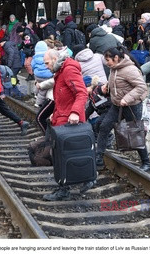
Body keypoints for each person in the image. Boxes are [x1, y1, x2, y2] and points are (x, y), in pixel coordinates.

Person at [42, 48, 92, 201]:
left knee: (62, 155)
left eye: (47, 63)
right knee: (65, 153)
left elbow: (81, 92)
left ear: (55, 58)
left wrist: (75, 112)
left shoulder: (68, 69)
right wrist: (55, 113)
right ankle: (85, 179)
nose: (45, 66)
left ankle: (65, 189)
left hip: (70, 120)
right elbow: (64, 97)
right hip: (63, 117)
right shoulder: (61, 70)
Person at [96, 46, 150, 172]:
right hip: (117, 105)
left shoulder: (129, 70)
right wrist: (107, 88)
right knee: (104, 126)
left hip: (132, 106)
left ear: (116, 58)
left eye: (108, 60)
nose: (106, 63)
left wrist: (127, 98)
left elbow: (141, 87)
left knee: (135, 133)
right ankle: (98, 158)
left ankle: (146, 162)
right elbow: (117, 85)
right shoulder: (113, 69)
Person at [32, 41, 53, 107]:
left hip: (37, 75)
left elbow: (32, 65)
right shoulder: (47, 56)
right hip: (47, 76)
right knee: (43, 90)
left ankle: (35, 93)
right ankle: (38, 103)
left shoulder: (34, 57)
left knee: (38, 83)